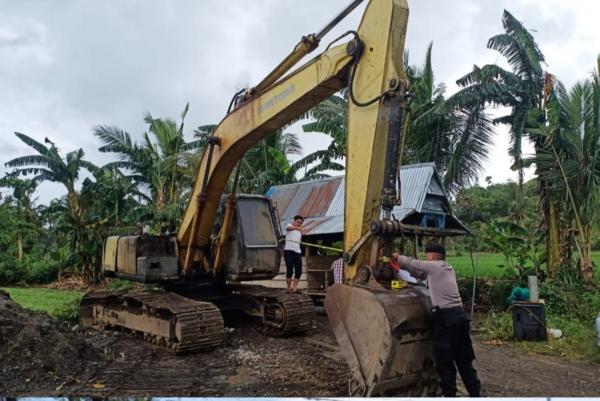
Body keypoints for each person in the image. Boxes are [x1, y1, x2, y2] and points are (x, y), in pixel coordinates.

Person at [392, 243, 481, 397]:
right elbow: (420, 275)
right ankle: (476, 394)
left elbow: (415, 263)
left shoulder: (435, 266)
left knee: (445, 363)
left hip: (447, 320)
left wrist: (396, 257)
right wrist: (399, 268)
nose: (426, 258)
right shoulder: (446, 268)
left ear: (432, 256)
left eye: (427, 256)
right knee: (463, 360)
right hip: (460, 317)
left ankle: (449, 396)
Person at [284, 215, 304, 293]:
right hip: (289, 251)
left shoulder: (299, 232)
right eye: (297, 222)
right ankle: (289, 288)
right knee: (290, 270)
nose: (299, 224)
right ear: (294, 221)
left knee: (299, 271)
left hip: (297, 252)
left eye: (300, 223)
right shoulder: (289, 226)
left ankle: (295, 288)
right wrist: (297, 228)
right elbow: (289, 228)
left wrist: (299, 229)